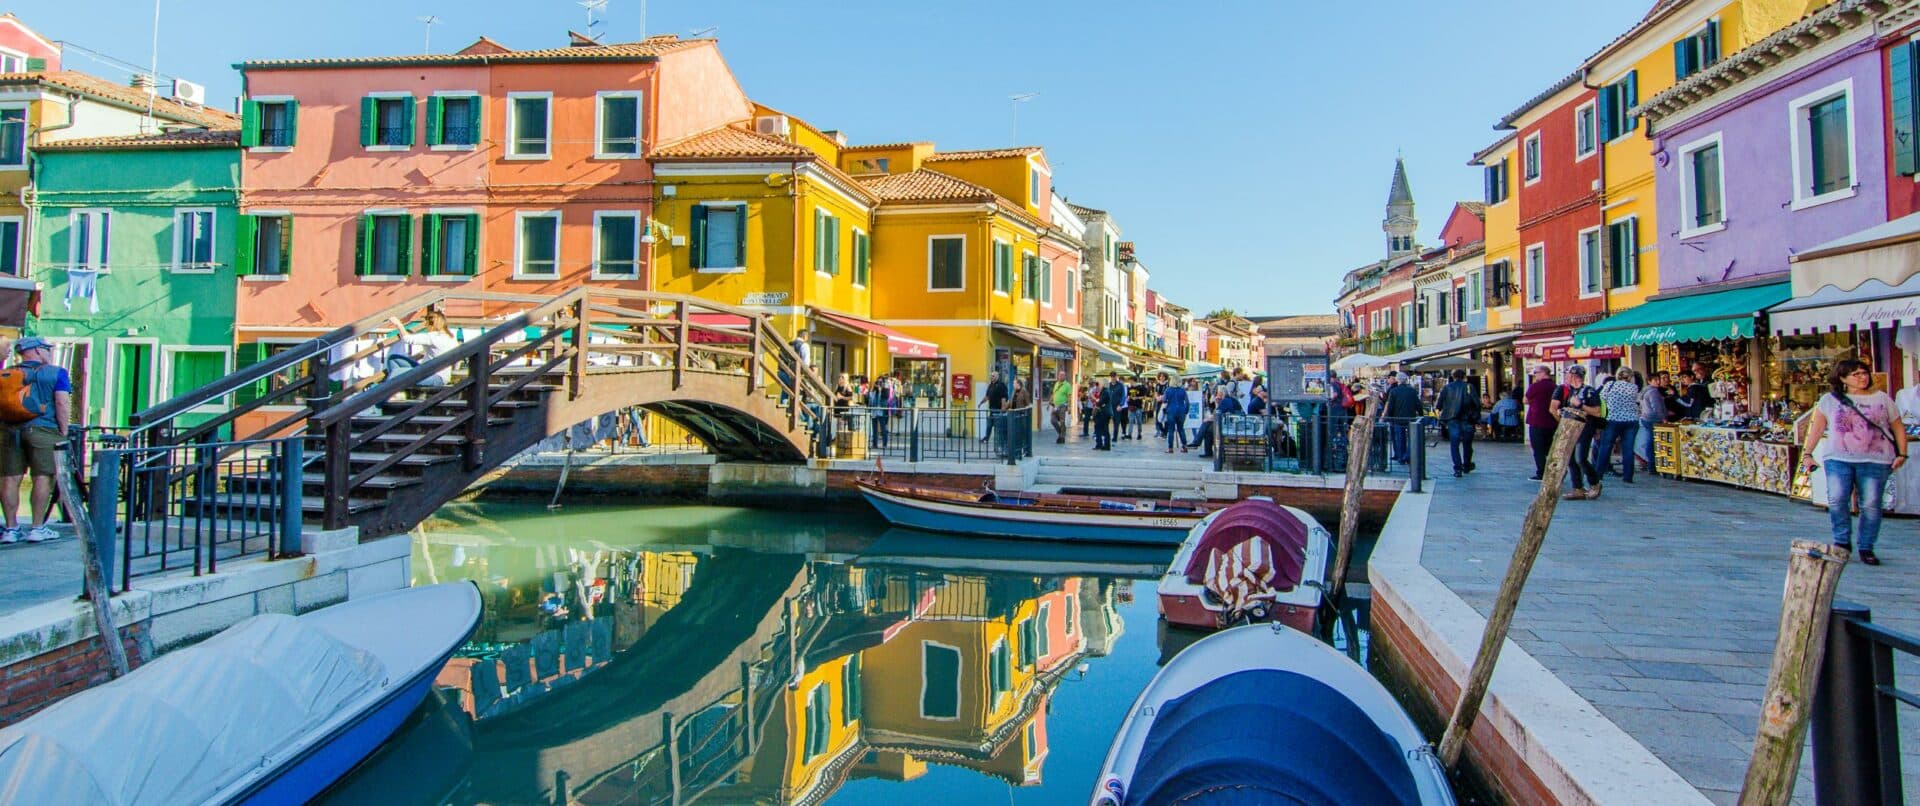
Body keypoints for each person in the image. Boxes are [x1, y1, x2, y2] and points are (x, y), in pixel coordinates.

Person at [1801, 359, 1907, 566]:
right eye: (1856, 374)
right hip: (1839, 458)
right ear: (1843, 379)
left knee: (1871, 504)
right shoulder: (1830, 400)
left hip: (1876, 459)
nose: (1862, 377)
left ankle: (1866, 546)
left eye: (1864, 373)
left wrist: (1902, 453)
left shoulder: (1882, 399)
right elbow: (1817, 428)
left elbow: (1898, 426)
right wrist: (1807, 453)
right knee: (1838, 499)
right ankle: (1842, 541)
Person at [0, 337, 72, 544]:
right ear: (38, 351)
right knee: (43, 476)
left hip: (9, 430)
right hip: (44, 428)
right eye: (47, 350)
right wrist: (63, 431)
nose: (49, 353)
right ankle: (37, 527)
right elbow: (61, 402)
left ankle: (11, 528)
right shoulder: (56, 373)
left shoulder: (6, 374)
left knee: (9, 478)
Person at [1550, 366, 1605, 500]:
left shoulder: (1588, 391)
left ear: (1574, 376)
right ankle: (1578, 488)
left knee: (1581, 458)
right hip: (1572, 427)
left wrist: (1581, 405)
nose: (1566, 376)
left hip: (1585, 428)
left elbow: (1597, 411)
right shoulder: (1571, 391)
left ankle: (1595, 483)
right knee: (1570, 458)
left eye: (1567, 374)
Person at [385, 309, 461, 386]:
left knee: (396, 373)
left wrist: (398, 324)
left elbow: (407, 339)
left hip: (434, 377)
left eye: (426, 323)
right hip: (431, 373)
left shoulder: (433, 337)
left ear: (432, 324)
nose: (425, 326)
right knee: (394, 359)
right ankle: (398, 388)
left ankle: (384, 393)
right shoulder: (451, 337)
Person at [1593, 367, 1642, 483]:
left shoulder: (1610, 385)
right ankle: (1628, 476)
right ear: (1630, 377)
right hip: (1631, 420)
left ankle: (1599, 473)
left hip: (1613, 419)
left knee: (1606, 446)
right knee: (1628, 449)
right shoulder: (1634, 388)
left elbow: (1602, 398)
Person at [1436, 369, 1480, 478]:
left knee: (1454, 445)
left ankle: (1457, 468)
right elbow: (1477, 403)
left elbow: (1439, 404)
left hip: (1453, 420)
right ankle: (1466, 465)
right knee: (1467, 444)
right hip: (1467, 419)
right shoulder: (1469, 387)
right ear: (1464, 376)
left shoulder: (1447, 388)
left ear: (1453, 376)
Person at [1522, 366, 1556, 479]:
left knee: (1538, 449)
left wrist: (1534, 401)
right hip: (1552, 421)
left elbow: (1525, 400)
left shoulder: (1535, 386)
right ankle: (1553, 472)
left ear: (1543, 373)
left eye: (1536, 373)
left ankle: (1541, 473)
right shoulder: (1555, 386)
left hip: (1537, 420)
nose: (1534, 375)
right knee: (1551, 448)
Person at [1382, 372, 1422, 464]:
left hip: (1397, 418)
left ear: (1397, 380)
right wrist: (1420, 414)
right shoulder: (1412, 391)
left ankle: (1401, 457)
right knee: (1412, 438)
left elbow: (1390, 406)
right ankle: (1408, 455)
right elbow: (1418, 404)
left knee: (1399, 439)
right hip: (1410, 417)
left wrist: (1389, 417)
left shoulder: (1394, 391)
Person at [1636, 371, 1670, 470]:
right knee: (1653, 441)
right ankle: (1652, 464)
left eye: (1658, 379)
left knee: (1650, 440)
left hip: (1646, 418)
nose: (1658, 382)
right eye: (1655, 380)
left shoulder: (1645, 391)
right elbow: (1657, 407)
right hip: (1653, 419)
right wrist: (1663, 418)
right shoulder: (1653, 392)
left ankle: (1650, 463)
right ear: (1649, 381)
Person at [1161, 375, 1191, 454]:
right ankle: (1184, 446)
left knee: (1171, 430)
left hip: (1171, 410)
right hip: (1181, 411)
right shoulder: (1183, 390)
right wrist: (1186, 411)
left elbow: (1164, 400)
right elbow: (1187, 402)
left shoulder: (1168, 390)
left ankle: (1170, 448)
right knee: (1181, 429)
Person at [979, 371, 1009, 446]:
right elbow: (987, 396)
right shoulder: (990, 385)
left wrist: (1003, 407)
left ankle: (1001, 441)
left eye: (993, 376)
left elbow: (1004, 397)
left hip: (998, 410)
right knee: (989, 425)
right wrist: (981, 403)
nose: (992, 377)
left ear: (997, 376)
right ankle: (986, 438)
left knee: (998, 427)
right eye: (991, 376)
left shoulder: (1001, 385)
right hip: (992, 409)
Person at [1050, 373, 1072, 444]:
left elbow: (1069, 397)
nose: (1060, 376)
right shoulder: (1056, 384)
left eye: (1062, 375)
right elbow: (1053, 394)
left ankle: (1062, 437)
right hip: (1055, 406)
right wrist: (1049, 403)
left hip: (1063, 406)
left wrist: (1069, 407)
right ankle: (1061, 433)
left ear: (1065, 376)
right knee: (1053, 420)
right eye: (1059, 375)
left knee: (1062, 422)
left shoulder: (1067, 385)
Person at [1109, 373, 1132, 441]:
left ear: (1116, 377)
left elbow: (1123, 396)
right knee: (1110, 421)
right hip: (1110, 406)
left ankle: (1115, 437)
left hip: (1117, 406)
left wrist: (1120, 405)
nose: (1113, 378)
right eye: (1112, 377)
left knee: (1117, 421)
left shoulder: (1120, 385)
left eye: (1114, 377)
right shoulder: (1109, 385)